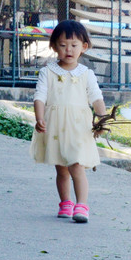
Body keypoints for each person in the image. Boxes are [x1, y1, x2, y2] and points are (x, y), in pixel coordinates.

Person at [30, 20, 107, 223]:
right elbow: (40, 96)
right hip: (55, 126)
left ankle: (81, 205)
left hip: (78, 127)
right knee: (61, 168)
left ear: (84, 47)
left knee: (76, 164)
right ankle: (66, 203)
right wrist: (39, 118)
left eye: (74, 45)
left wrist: (103, 120)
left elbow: (96, 97)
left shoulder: (87, 74)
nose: (68, 50)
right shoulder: (48, 72)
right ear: (54, 46)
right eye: (63, 45)